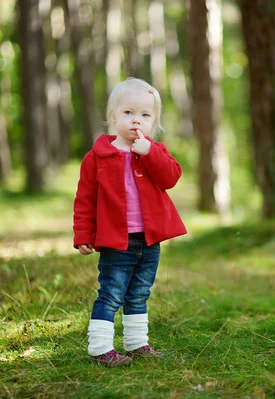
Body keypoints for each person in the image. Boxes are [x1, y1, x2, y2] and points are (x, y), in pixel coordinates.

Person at [73, 77, 187, 366]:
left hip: (149, 240)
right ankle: (100, 348)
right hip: (117, 240)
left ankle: (137, 344)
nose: (137, 120)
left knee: (139, 293)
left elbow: (171, 178)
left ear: (154, 121)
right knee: (111, 292)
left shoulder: (154, 152)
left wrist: (149, 154)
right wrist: (84, 234)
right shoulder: (96, 157)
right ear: (113, 115)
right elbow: (85, 200)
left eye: (145, 115)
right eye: (128, 113)